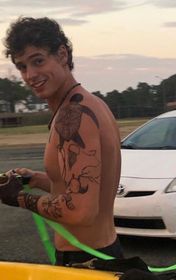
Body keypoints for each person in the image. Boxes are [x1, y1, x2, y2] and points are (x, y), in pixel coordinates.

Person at [1, 16, 123, 266]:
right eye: (22, 66)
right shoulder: (90, 103)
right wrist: (34, 180)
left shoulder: (74, 114)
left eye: (38, 61)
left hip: (86, 261)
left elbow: (81, 210)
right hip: (99, 253)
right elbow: (81, 188)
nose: (30, 75)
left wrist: (20, 198)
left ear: (62, 55)